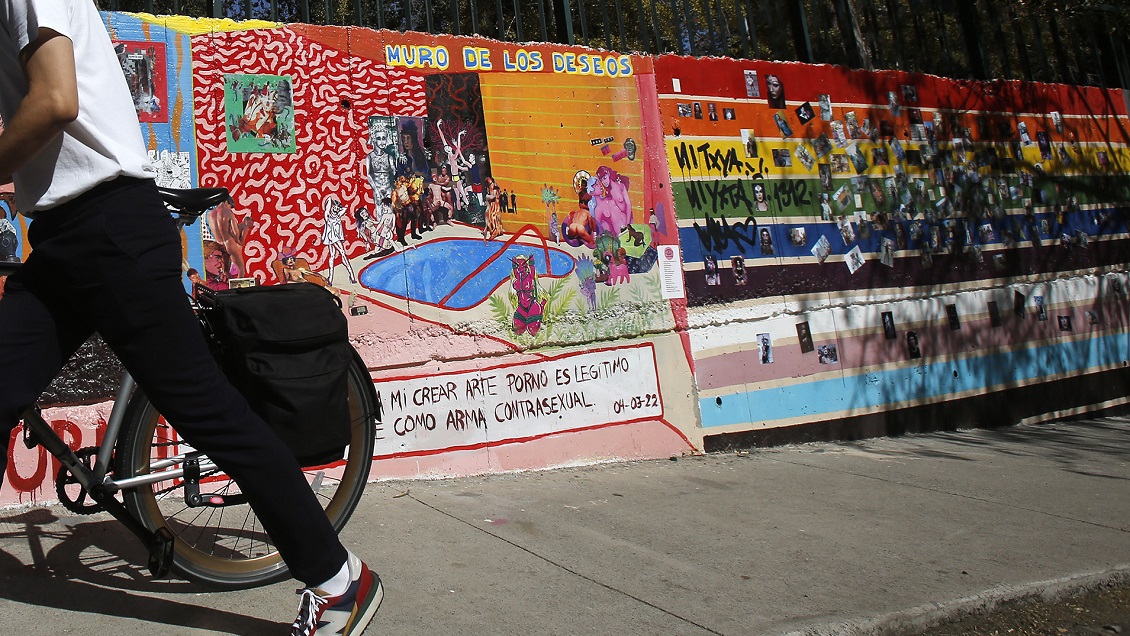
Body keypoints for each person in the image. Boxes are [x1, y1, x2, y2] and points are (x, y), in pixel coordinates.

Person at [0, 3, 382, 635]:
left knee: (210, 414)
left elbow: (57, 100)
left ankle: (339, 580)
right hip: (65, 239)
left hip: (108, 230)